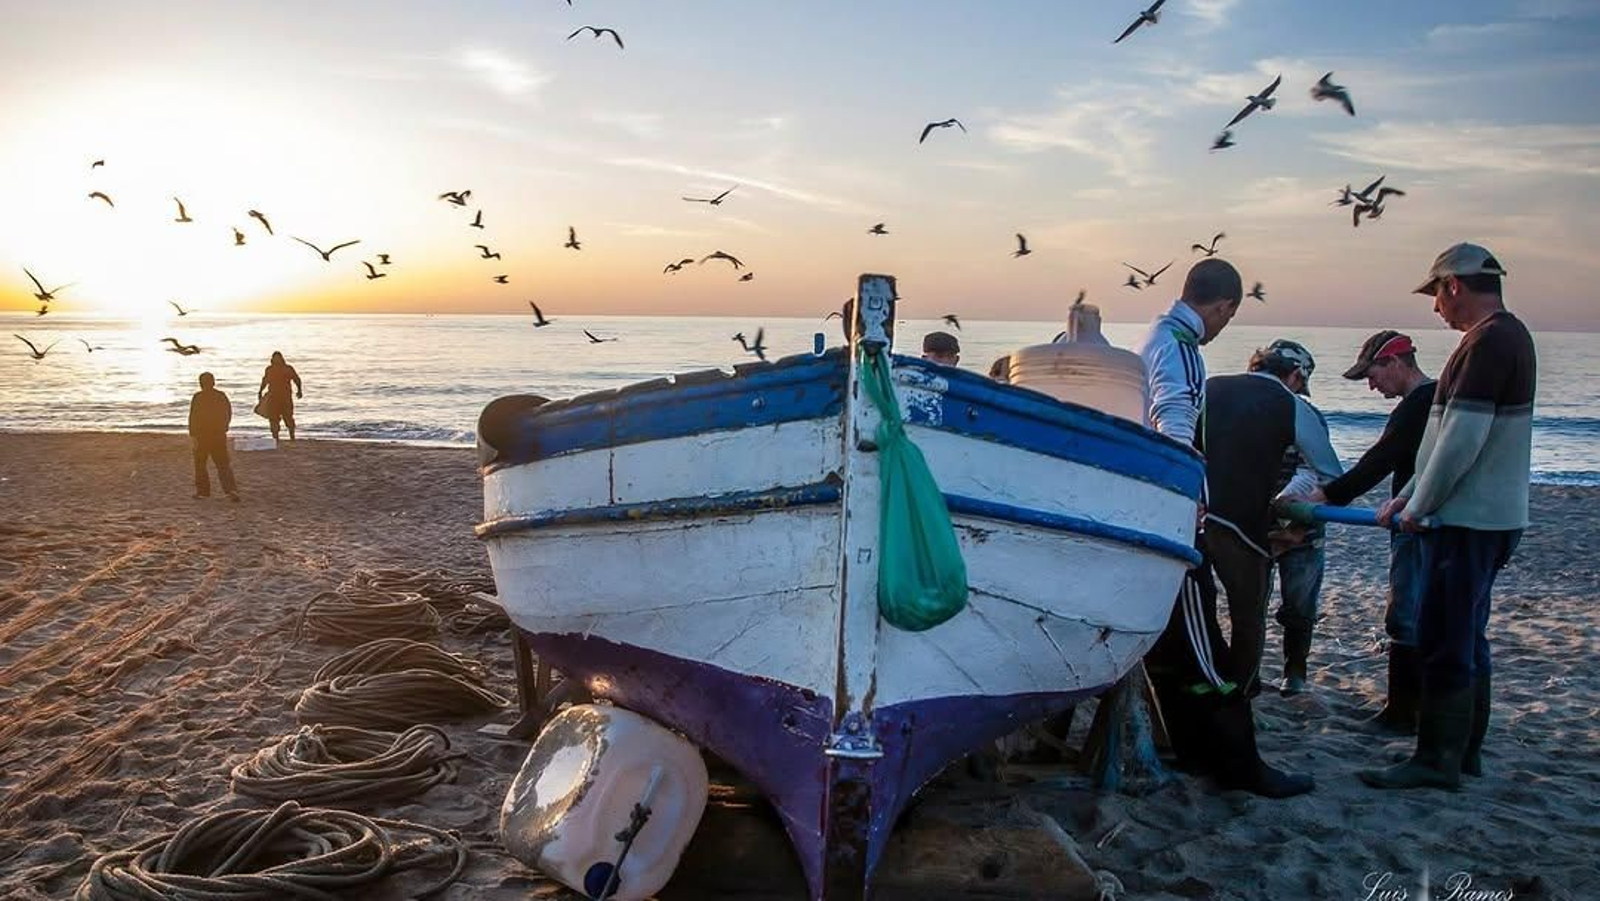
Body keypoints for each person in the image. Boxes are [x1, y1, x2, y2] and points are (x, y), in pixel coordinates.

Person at [1137, 258, 1314, 798]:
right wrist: (1186, 494)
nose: (1222, 329)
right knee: (1209, 654)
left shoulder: (1152, 338)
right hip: (1173, 526)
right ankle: (1243, 767)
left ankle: (1194, 755)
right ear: (1222, 307)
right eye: (1226, 319)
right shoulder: (1182, 349)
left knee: (1172, 656)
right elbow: (1175, 418)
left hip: (1148, 519)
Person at [1361, 243, 1534, 791]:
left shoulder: (1491, 342)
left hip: (1472, 519)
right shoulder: (1492, 341)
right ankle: (1465, 754)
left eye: (1436, 293)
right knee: (1466, 634)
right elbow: (1438, 440)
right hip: (1484, 515)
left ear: (1454, 285)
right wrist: (1407, 494)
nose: (1436, 308)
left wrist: (1419, 506)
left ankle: (1438, 759)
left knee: (1446, 636)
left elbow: (1461, 441)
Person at [1311, 330, 1435, 732]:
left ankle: (1401, 715)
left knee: (1404, 614)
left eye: (1373, 373)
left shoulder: (1417, 406)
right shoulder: (1439, 400)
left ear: (1395, 363)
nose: (1370, 384)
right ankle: (1422, 710)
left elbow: (1379, 461)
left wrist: (1328, 495)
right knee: (1431, 615)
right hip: (1434, 517)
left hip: (1415, 522)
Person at [1205, 340, 1342, 699]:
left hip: (1223, 521)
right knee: (1260, 611)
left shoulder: (1212, 389)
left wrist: (1293, 525)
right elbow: (1331, 474)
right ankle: (1249, 686)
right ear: (1295, 375)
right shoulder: (1293, 406)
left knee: (1240, 608)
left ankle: (1266, 677)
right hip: (1259, 527)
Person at [189, 372, 238, 502]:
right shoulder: (220, 396)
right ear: (213, 382)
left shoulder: (198, 397)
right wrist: (225, 427)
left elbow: (193, 417)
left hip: (202, 436)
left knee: (200, 464)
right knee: (223, 464)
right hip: (217, 435)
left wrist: (193, 435)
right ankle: (230, 490)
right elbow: (228, 412)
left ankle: (203, 492)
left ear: (201, 383)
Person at [258, 351, 303, 443]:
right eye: (275, 358)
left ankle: (292, 437)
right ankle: (276, 438)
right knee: (273, 418)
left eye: (278, 358)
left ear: (282, 358)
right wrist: (260, 391)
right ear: (272, 359)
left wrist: (299, 390)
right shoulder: (269, 369)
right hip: (273, 397)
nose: (276, 360)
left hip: (285, 397)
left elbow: (297, 379)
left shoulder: (287, 368)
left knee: (288, 417)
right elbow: (265, 380)